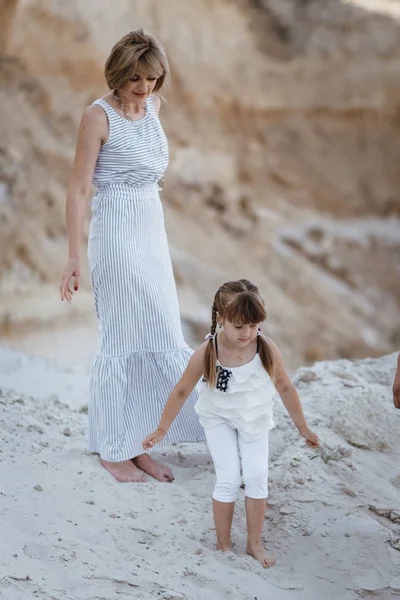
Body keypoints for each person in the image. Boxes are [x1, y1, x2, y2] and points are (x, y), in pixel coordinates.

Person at [59, 29, 204, 483]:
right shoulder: (97, 116)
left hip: (150, 229)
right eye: (136, 78)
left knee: (160, 329)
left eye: (153, 79)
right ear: (118, 73)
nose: (144, 88)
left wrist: (151, 96)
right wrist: (72, 256)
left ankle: (141, 442)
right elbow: (79, 189)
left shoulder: (154, 108)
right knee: (121, 338)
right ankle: (113, 449)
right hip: (116, 232)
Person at [143, 279, 319, 568]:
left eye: (254, 326)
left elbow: (286, 388)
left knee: (257, 476)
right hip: (219, 419)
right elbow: (182, 390)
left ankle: (254, 543)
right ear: (220, 318)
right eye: (239, 326)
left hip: (254, 418)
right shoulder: (209, 350)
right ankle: (223, 545)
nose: (247, 333)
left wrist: (303, 428)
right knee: (228, 478)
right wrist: (162, 428)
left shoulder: (265, 348)